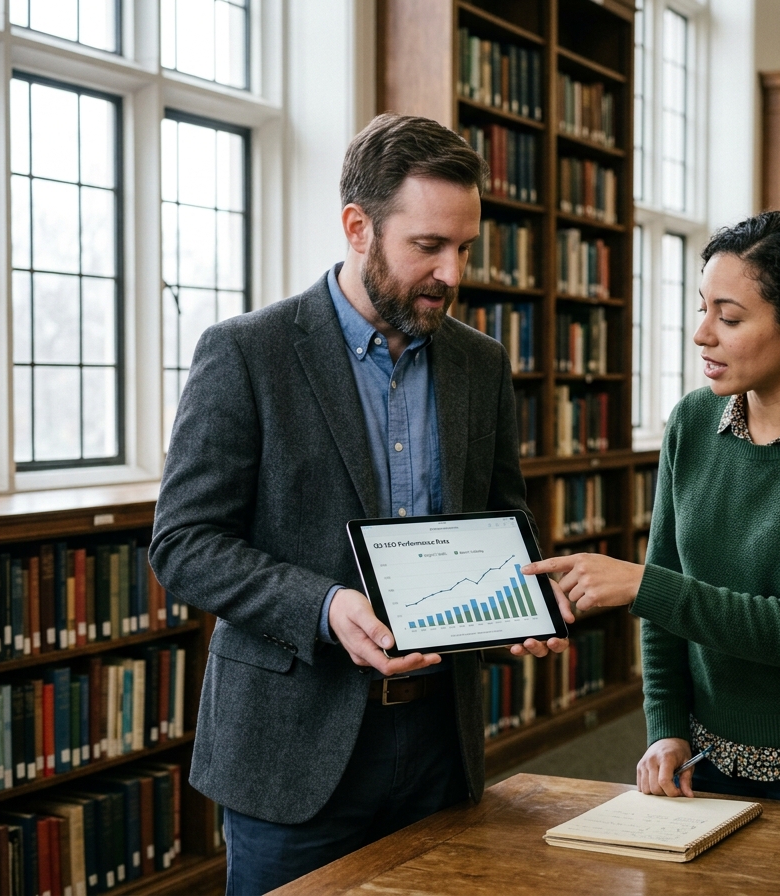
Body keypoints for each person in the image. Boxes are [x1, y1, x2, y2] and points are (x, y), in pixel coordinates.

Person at [149, 113, 571, 895]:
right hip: (293, 745)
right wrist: (325, 606)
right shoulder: (247, 353)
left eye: (465, 248)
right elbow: (183, 544)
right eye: (428, 246)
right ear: (358, 227)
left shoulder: (480, 363)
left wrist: (521, 600)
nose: (452, 273)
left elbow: (502, 518)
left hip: (440, 741)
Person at [523, 211, 780, 804]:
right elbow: (667, 598)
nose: (702, 334)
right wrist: (666, 727)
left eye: (728, 317)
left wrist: (639, 584)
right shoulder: (692, 420)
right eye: (702, 308)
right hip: (704, 755)